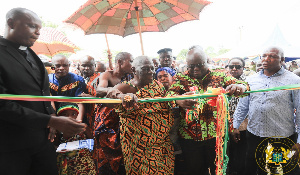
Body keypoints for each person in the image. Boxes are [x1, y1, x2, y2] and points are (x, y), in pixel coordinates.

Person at [0, 8, 86, 175]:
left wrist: (52, 117)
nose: (38, 32)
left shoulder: (31, 53)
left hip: (42, 142)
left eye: (39, 28)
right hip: (11, 147)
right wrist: (50, 121)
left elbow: (42, 93)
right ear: (11, 23)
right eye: (32, 26)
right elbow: (2, 105)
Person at [167, 48, 249, 175]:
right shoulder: (180, 78)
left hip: (216, 135)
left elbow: (243, 85)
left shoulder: (220, 74)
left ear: (207, 61)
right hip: (190, 137)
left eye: (199, 65)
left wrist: (240, 87)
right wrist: (178, 101)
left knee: (220, 171)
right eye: (191, 66)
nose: (195, 69)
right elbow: (169, 95)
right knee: (196, 171)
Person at [233, 46, 300, 175]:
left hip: (280, 139)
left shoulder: (294, 81)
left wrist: (299, 141)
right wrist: (235, 126)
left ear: (282, 60)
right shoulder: (251, 80)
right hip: (254, 135)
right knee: (252, 168)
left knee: (276, 171)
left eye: (272, 56)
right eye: (264, 56)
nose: (266, 59)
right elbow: (243, 105)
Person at [107, 56, 175, 174]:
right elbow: (107, 99)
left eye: (152, 68)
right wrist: (121, 96)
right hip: (138, 149)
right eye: (145, 69)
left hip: (162, 147)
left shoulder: (157, 85)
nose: (150, 72)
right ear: (134, 70)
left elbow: (166, 103)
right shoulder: (125, 87)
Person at [93, 52, 133, 175]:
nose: (133, 64)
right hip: (106, 120)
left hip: (122, 118)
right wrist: (115, 91)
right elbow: (100, 90)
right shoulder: (107, 74)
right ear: (120, 62)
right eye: (130, 61)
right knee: (106, 153)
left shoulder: (130, 77)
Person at [55, 102, 96, 175]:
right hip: (68, 164)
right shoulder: (59, 130)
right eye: (65, 114)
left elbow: (92, 139)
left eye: (73, 114)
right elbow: (56, 144)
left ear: (77, 115)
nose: (70, 117)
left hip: (85, 163)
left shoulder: (83, 127)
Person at [48, 54, 87, 121]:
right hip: (53, 115)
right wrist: (54, 120)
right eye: (58, 66)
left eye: (65, 65)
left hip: (73, 114)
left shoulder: (78, 80)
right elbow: (50, 101)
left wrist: (78, 121)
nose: (62, 68)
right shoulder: (47, 79)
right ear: (52, 67)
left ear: (69, 66)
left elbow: (79, 101)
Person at [226, 57, 248, 175]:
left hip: (243, 125)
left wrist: (237, 126)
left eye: (238, 67)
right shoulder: (223, 82)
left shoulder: (248, 83)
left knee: (240, 153)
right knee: (228, 153)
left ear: (243, 68)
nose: (234, 69)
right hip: (225, 124)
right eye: (231, 67)